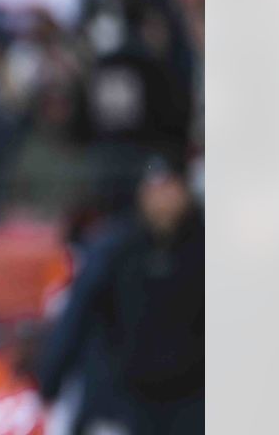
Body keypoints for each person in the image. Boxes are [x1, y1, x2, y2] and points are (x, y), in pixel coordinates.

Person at [38, 158, 204, 434]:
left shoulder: (204, 250)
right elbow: (78, 315)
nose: (163, 200)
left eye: (170, 189)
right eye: (155, 190)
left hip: (192, 398)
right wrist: (51, 380)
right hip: (127, 397)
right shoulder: (118, 250)